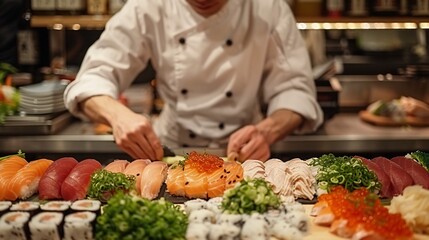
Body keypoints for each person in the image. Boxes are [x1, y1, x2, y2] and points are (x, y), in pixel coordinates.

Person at [64, 0, 324, 162]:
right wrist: (118, 116)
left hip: (247, 153)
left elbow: (295, 90)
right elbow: (92, 78)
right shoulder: (148, 6)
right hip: (170, 149)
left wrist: (267, 132)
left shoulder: (268, 7)